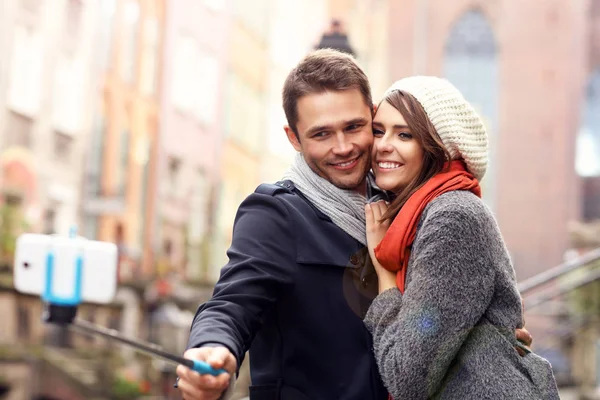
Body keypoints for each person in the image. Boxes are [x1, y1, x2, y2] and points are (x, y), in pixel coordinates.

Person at [176, 50, 532, 400]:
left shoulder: (409, 207)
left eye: (354, 127)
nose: (343, 147)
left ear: (373, 118)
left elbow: (431, 322)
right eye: (322, 135)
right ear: (294, 138)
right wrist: (212, 346)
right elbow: (231, 303)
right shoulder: (275, 215)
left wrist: (482, 338)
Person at [364, 76, 559, 399]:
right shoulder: (411, 215)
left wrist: (384, 274)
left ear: (437, 147)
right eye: (378, 130)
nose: (383, 145)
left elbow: (407, 377)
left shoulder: (453, 217)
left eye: (404, 134)